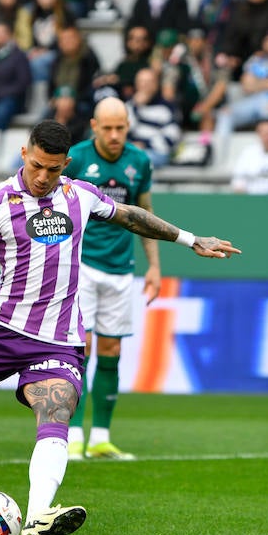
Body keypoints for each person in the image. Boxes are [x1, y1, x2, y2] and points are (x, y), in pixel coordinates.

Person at [0, 120, 240, 535]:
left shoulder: (80, 195)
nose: (43, 177)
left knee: (57, 408)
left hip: (57, 338)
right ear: (24, 154)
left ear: (65, 165)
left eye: (53, 170)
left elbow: (131, 217)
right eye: (37, 165)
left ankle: (38, 515)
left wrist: (190, 239)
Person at [59, 98, 160, 461]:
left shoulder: (140, 162)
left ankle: (100, 437)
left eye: (121, 128)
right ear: (94, 125)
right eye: (108, 128)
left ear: (128, 126)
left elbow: (145, 216)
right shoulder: (78, 159)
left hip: (121, 270)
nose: (115, 135)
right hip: (82, 267)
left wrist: (154, 266)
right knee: (79, 349)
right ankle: (71, 435)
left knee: (112, 350)